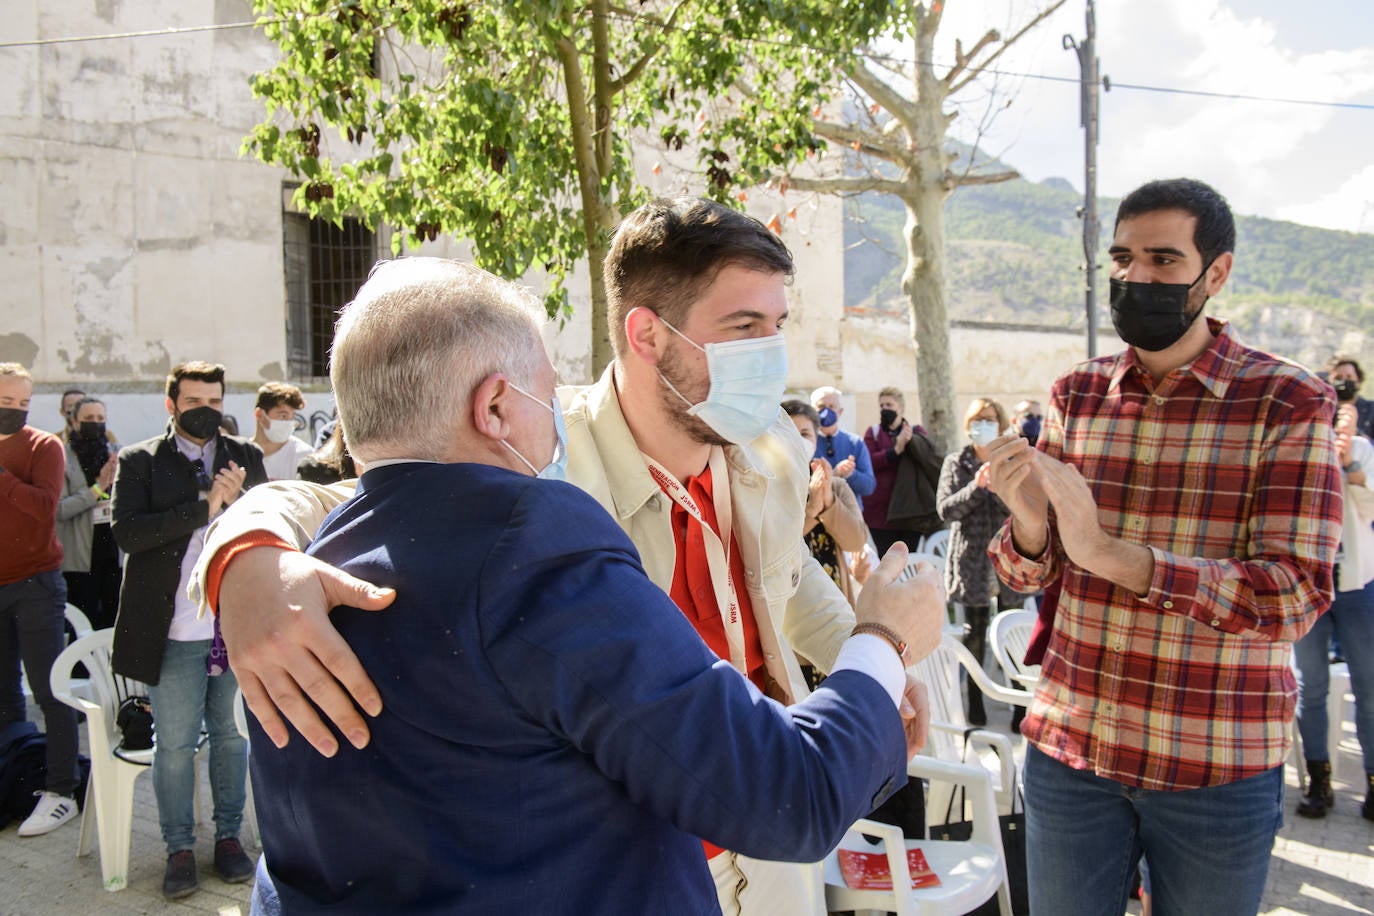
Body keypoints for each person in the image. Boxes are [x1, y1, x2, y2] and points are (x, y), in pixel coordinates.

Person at [191, 198, 942, 916]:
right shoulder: (543, 475)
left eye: (777, 326)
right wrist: (246, 551)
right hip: (672, 835)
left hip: (764, 847)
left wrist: (872, 672)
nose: (770, 356)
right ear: (648, 335)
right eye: (745, 327)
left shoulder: (769, 447)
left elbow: (791, 581)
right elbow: (390, 497)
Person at [985, 178, 1341, 915]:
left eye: (1161, 260)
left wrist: (1119, 557)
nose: (1135, 279)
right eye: (1121, 259)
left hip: (1214, 762)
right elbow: (1029, 569)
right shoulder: (1074, 395)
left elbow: (1298, 592)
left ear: (1217, 272)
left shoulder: (1287, 400)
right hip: (1071, 752)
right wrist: (1026, 524)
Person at [111, 361, 268, 899]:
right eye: (194, 400)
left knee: (230, 738)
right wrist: (205, 506)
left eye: (215, 401)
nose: (205, 410)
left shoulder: (244, 457)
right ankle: (178, 846)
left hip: (232, 626)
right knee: (174, 746)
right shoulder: (139, 461)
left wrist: (240, 500)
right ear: (171, 403)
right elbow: (129, 534)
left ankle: (228, 839)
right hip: (172, 630)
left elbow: (271, 526)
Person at [0, 363, 82, 837]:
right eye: (5, 402)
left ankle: (61, 789)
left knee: (51, 689)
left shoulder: (43, 446)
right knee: (4, 693)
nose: (13, 411)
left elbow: (42, 508)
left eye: (21, 404)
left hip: (35, 582)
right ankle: (14, 776)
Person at [1292, 389, 1374, 820]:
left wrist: (1351, 466)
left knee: (1369, 686)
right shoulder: (1298, 441)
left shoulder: (1361, 450)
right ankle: (1319, 779)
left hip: (1358, 585)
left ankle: (1373, 782)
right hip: (1310, 583)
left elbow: (1369, 510)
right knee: (1312, 685)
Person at [936, 397, 1013, 727]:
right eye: (978, 419)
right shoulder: (957, 461)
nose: (984, 424)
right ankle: (976, 704)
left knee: (1010, 632)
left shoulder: (1010, 460)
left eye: (991, 418)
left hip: (1010, 559)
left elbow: (1025, 507)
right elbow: (946, 510)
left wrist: (999, 489)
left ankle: (1019, 708)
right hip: (972, 560)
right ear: (969, 425)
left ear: (1001, 423)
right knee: (975, 633)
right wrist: (977, 487)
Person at [783, 400, 870, 608]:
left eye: (805, 434)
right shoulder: (767, 487)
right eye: (789, 433)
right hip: (788, 603)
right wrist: (812, 511)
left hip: (833, 598)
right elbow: (775, 547)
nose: (798, 441)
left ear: (815, 440)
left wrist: (828, 501)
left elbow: (856, 542)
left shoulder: (837, 487)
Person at [57, 396, 121, 630]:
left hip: (114, 553)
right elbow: (61, 509)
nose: (95, 423)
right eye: (88, 419)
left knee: (114, 619)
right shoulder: (62, 457)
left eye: (100, 418)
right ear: (74, 422)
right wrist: (97, 488)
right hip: (80, 557)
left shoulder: (117, 453)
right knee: (84, 622)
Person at [863, 386, 945, 554]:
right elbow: (868, 461)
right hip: (880, 515)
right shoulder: (874, 433)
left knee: (908, 559)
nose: (885, 409)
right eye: (882, 405)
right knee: (886, 560)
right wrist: (895, 450)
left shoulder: (916, 432)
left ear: (900, 407)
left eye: (889, 405)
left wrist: (910, 442)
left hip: (911, 512)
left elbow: (929, 459)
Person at [810, 386, 876, 510]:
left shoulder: (855, 443)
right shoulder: (806, 443)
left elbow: (869, 487)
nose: (826, 411)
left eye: (831, 406)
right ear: (813, 411)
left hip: (849, 516)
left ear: (840, 411)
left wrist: (850, 473)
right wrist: (833, 475)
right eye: (821, 406)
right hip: (814, 516)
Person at [252, 382, 314, 481]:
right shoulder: (243, 454)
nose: (288, 423)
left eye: (292, 417)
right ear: (259, 415)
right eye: (283, 416)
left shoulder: (303, 455)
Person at [1325, 355, 1374, 440]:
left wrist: (1355, 433)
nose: (1344, 381)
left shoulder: (1371, 410)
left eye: (1349, 377)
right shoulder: (1323, 411)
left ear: (1358, 381)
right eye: (1338, 378)